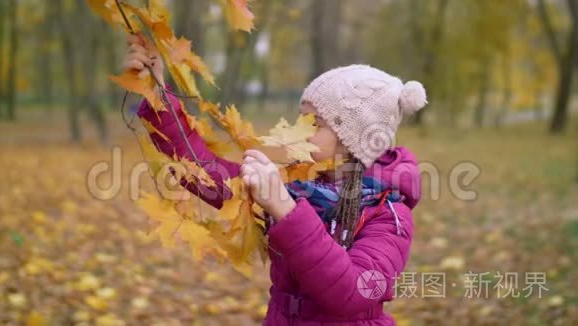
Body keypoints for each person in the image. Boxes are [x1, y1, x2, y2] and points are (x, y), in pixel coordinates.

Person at [125, 32, 427, 325]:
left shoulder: (388, 213)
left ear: (354, 140)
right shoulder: (295, 181)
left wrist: (285, 209)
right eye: (301, 117)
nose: (300, 129)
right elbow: (209, 175)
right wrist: (157, 95)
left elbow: (353, 292)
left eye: (315, 122)